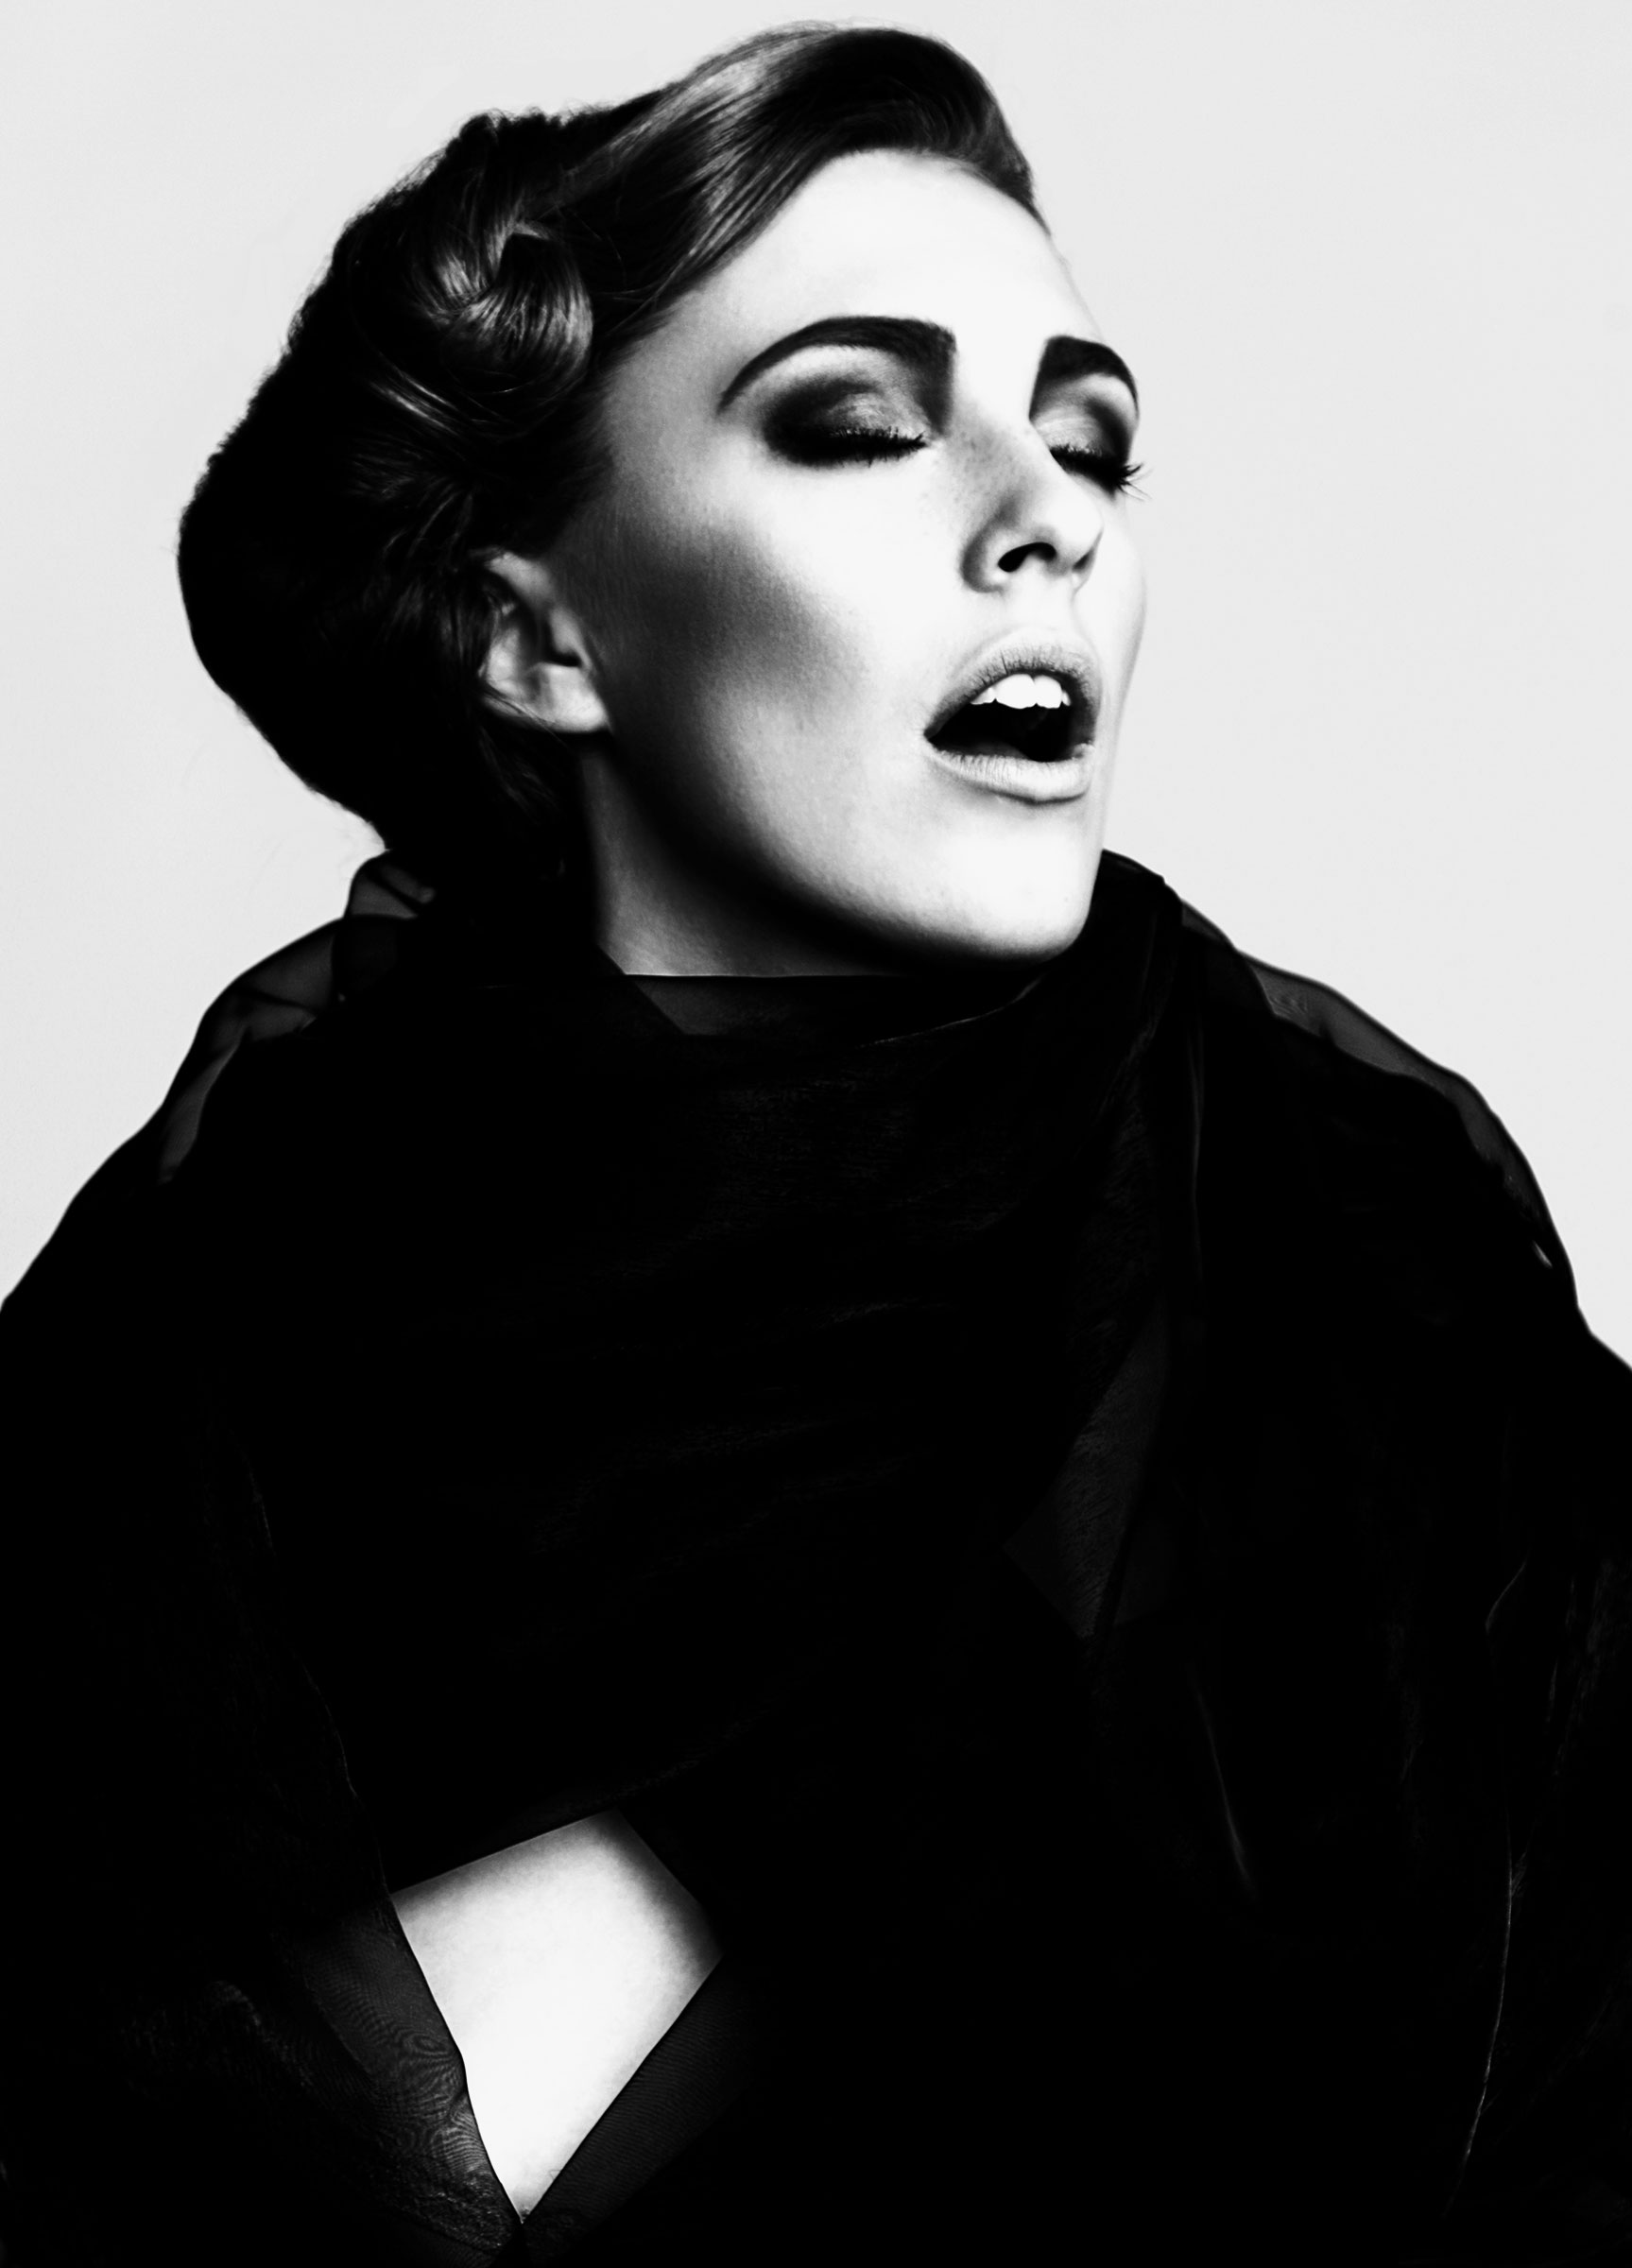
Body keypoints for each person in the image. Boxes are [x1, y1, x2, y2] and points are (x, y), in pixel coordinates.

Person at [2, 22, 1629, 2267]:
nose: (1051, 517)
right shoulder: (225, 1312)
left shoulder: (1349, 1251)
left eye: (1094, 442)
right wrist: (710, 1841)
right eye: (860, 426)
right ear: (535, 637)